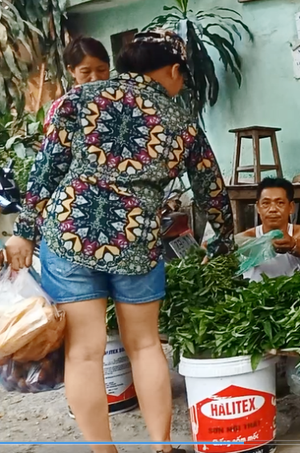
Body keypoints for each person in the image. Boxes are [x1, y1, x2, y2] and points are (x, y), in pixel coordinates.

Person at [3, 30, 235, 453]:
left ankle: (104, 451)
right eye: (183, 77)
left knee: (84, 352)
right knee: (145, 345)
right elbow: (212, 190)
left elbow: (46, 169)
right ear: (174, 71)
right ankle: (162, 447)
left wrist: (25, 231)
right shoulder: (180, 120)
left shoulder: (77, 100)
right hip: (135, 242)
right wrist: (223, 243)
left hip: (71, 236)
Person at [236, 177, 300, 281]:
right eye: (266, 203)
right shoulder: (247, 237)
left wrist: (292, 244)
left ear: (291, 207)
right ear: (258, 207)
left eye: (280, 203)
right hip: (252, 291)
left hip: (293, 291)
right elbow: (234, 244)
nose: (273, 209)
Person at [44, 37, 112, 133]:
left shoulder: (125, 99)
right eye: (86, 72)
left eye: (101, 70)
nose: (95, 78)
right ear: (71, 70)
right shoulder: (63, 107)